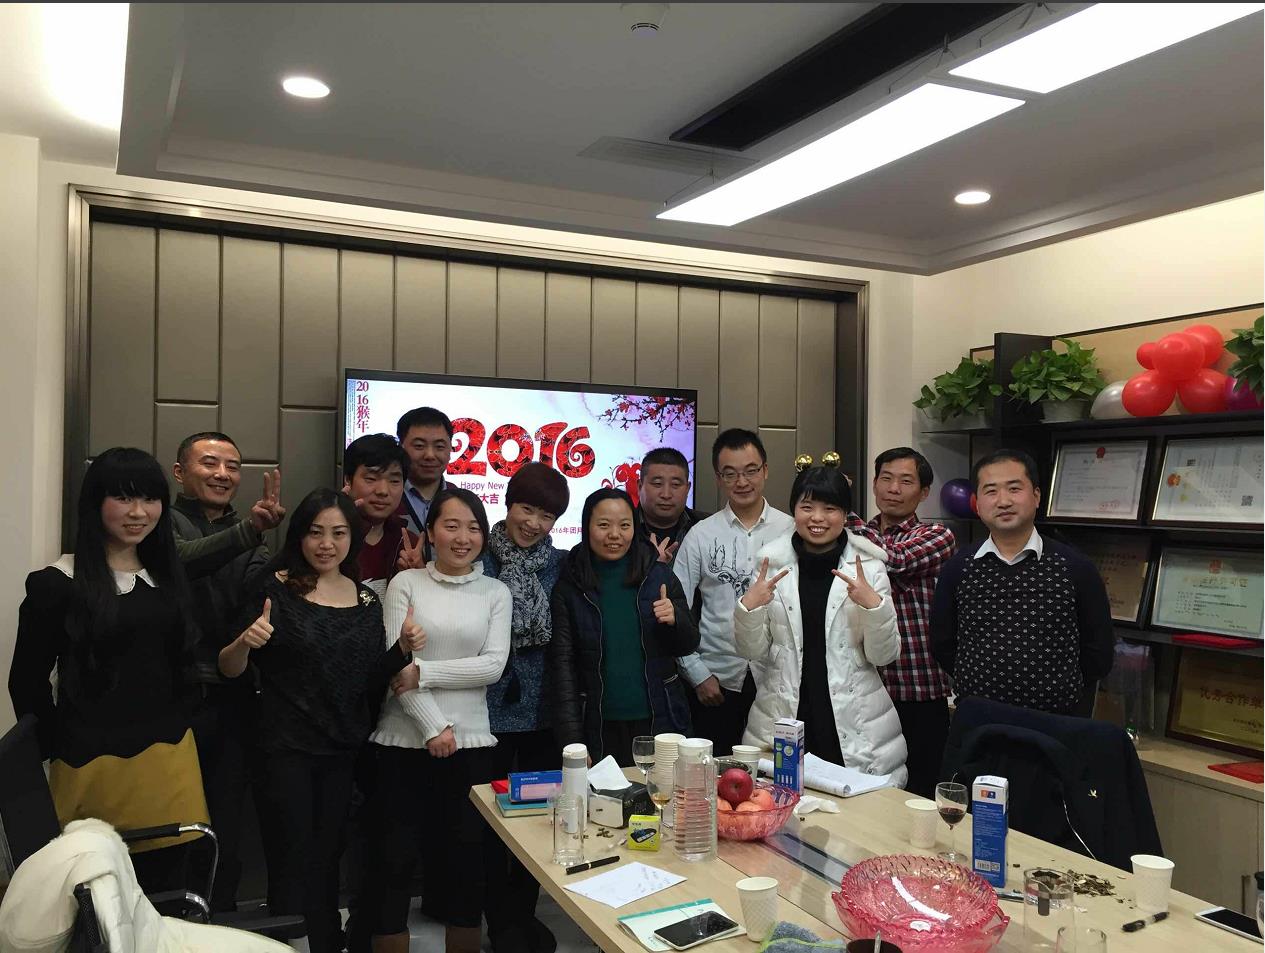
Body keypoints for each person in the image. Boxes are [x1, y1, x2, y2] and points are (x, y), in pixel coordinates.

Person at [218, 489, 421, 953]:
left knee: (329, 855)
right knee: (293, 856)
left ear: (352, 538)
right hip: (283, 746)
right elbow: (229, 668)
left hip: (343, 749)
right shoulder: (273, 588)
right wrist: (245, 642)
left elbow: (368, 679)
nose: (326, 544)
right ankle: (288, 941)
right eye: (315, 532)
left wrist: (402, 652)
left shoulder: (365, 599)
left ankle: (328, 942)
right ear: (299, 536)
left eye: (338, 533)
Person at [9, 448, 208, 891]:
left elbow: (179, 663)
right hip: (89, 767)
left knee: (169, 893)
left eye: (150, 499)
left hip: (171, 761)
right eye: (123, 498)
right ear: (95, 503)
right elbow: (26, 683)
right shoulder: (57, 583)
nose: (139, 513)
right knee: (94, 898)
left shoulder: (167, 575)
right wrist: (59, 747)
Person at [364, 488, 511, 953]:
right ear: (429, 532)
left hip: (471, 746)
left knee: (466, 864)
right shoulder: (405, 585)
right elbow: (395, 667)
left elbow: (492, 666)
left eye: (473, 528)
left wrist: (425, 672)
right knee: (393, 861)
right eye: (451, 526)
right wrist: (433, 727)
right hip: (401, 741)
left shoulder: (495, 592)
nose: (462, 537)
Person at [734, 465, 907, 786]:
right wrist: (748, 608)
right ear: (793, 510)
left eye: (830, 508)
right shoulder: (770, 564)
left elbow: (884, 656)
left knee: (857, 809)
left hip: (851, 719)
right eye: (807, 507)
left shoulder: (868, 566)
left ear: (845, 514)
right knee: (780, 808)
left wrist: (873, 606)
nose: (817, 518)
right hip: (784, 714)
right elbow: (751, 651)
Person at [170, 430, 284, 909]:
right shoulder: (163, 521)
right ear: (180, 472)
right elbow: (181, 562)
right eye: (210, 463)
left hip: (235, 695)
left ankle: (221, 919)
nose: (222, 474)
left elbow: (261, 589)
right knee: (176, 820)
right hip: (175, 697)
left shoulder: (248, 532)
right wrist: (250, 532)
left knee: (227, 820)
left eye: (232, 467)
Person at [931, 449, 1115, 717]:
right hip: (979, 719)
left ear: (1036, 496)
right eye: (991, 491)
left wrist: (1056, 688)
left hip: (1056, 721)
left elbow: (1098, 651)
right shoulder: (958, 568)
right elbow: (943, 643)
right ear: (977, 504)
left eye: (1014, 489)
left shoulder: (1074, 567)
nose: (1003, 501)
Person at [480, 463, 570, 953]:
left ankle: (522, 915)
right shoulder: (478, 557)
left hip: (543, 716)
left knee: (539, 819)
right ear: (509, 504)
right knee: (490, 824)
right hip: (485, 715)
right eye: (527, 509)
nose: (534, 523)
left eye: (547, 515)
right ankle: (500, 923)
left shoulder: (563, 565)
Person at [549, 488, 699, 764]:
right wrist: (572, 739)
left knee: (658, 790)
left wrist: (675, 619)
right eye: (603, 525)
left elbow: (689, 644)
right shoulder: (571, 584)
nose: (615, 534)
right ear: (587, 527)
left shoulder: (658, 576)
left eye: (624, 525)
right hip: (597, 724)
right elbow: (563, 666)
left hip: (659, 719)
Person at [672, 429, 794, 755]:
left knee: (775, 774)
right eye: (730, 473)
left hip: (779, 680)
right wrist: (696, 673)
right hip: (716, 681)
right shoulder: (700, 535)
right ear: (718, 478)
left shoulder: (791, 530)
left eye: (751, 470)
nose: (742, 481)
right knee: (713, 773)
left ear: (765, 470)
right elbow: (676, 611)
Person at [845, 448, 956, 798]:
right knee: (868, 790)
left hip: (918, 687)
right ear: (874, 484)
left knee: (922, 791)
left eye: (906, 481)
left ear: (923, 492)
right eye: (886, 478)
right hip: (865, 687)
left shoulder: (937, 535)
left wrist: (843, 510)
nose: (893, 488)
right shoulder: (854, 533)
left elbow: (896, 559)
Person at [342, 433, 424, 597]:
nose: (383, 491)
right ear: (348, 481)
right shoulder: (328, 536)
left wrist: (420, 578)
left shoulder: (407, 543)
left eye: (394, 481)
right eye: (371, 478)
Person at [637, 447, 705, 562]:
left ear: (687, 489)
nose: (666, 494)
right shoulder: (621, 530)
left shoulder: (707, 528)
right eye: (657, 484)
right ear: (640, 487)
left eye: (675, 484)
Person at [395, 406, 453, 536]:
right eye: (419, 446)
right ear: (401, 448)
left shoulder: (461, 500)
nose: (430, 455)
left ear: (450, 449)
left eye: (439, 446)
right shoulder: (385, 497)